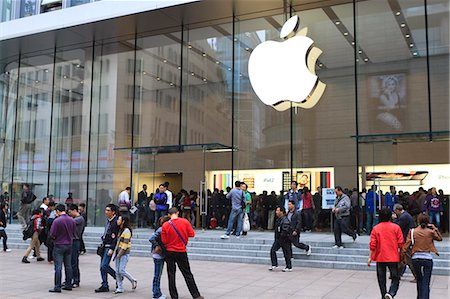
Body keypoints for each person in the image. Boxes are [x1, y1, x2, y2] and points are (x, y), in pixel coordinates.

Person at [161, 207, 203, 299]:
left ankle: (174, 296)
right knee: (187, 274)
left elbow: (164, 241)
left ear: (169, 215)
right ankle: (196, 295)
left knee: (171, 275)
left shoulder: (165, 225)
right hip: (181, 251)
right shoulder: (185, 222)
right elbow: (192, 234)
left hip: (170, 252)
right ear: (177, 213)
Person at [402, 214, 442, 299]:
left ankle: (419, 297)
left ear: (418, 221)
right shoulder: (431, 232)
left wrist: (403, 257)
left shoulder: (412, 231)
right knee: (426, 282)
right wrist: (435, 228)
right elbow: (439, 238)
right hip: (427, 258)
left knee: (419, 280)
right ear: (428, 222)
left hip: (415, 258)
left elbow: (406, 246)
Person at [368, 208, 404, 299]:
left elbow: (372, 244)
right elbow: (401, 243)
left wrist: (370, 257)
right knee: (395, 277)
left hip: (380, 256)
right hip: (393, 256)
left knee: (381, 279)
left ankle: (383, 295)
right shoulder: (396, 227)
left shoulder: (376, 228)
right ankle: (391, 293)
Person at [49, 204, 77, 293]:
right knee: (68, 266)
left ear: (57, 211)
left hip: (59, 245)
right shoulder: (72, 220)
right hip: (69, 245)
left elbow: (52, 234)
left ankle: (57, 286)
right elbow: (73, 232)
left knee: (58, 267)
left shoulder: (57, 221)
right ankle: (69, 284)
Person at [95, 204, 119, 293]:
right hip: (104, 245)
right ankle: (104, 284)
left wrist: (112, 248)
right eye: (106, 210)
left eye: (108, 210)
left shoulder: (116, 222)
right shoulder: (108, 221)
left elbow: (115, 237)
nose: (106, 212)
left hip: (109, 246)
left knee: (104, 265)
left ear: (113, 212)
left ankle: (117, 277)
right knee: (102, 267)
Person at [392, 203, 417, 280]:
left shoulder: (403, 217)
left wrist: (394, 219)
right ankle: (397, 274)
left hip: (406, 241)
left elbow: (397, 226)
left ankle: (416, 276)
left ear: (397, 210)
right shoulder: (405, 215)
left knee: (408, 258)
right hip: (406, 240)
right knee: (401, 258)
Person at [113, 216, 137, 294]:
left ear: (123, 221)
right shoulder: (120, 229)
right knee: (117, 271)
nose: (117, 221)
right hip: (118, 253)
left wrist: (119, 254)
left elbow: (125, 245)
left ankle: (133, 280)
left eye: (119, 219)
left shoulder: (126, 231)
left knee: (121, 270)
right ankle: (120, 287)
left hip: (124, 253)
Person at [149, 215, 170, 299]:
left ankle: (157, 292)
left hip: (161, 254)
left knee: (158, 274)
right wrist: (157, 246)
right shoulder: (161, 229)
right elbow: (151, 238)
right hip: (158, 255)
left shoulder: (162, 229)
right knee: (157, 275)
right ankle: (156, 293)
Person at [269, 206, 292, 272]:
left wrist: (282, 237)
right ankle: (274, 264)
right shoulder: (278, 220)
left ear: (282, 212)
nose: (276, 212)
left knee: (286, 253)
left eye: (278, 211)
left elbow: (285, 231)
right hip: (278, 239)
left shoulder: (285, 220)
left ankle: (289, 267)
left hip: (284, 239)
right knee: (273, 250)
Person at [67, 204, 85, 288]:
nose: (69, 214)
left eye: (70, 212)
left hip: (75, 242)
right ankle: (69, 279)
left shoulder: (79, 219)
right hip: (71, 241)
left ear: (74, 210)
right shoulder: (74, 219)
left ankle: (76, 280)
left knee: (74, 262)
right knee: (69, 262)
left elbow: (68, 222)